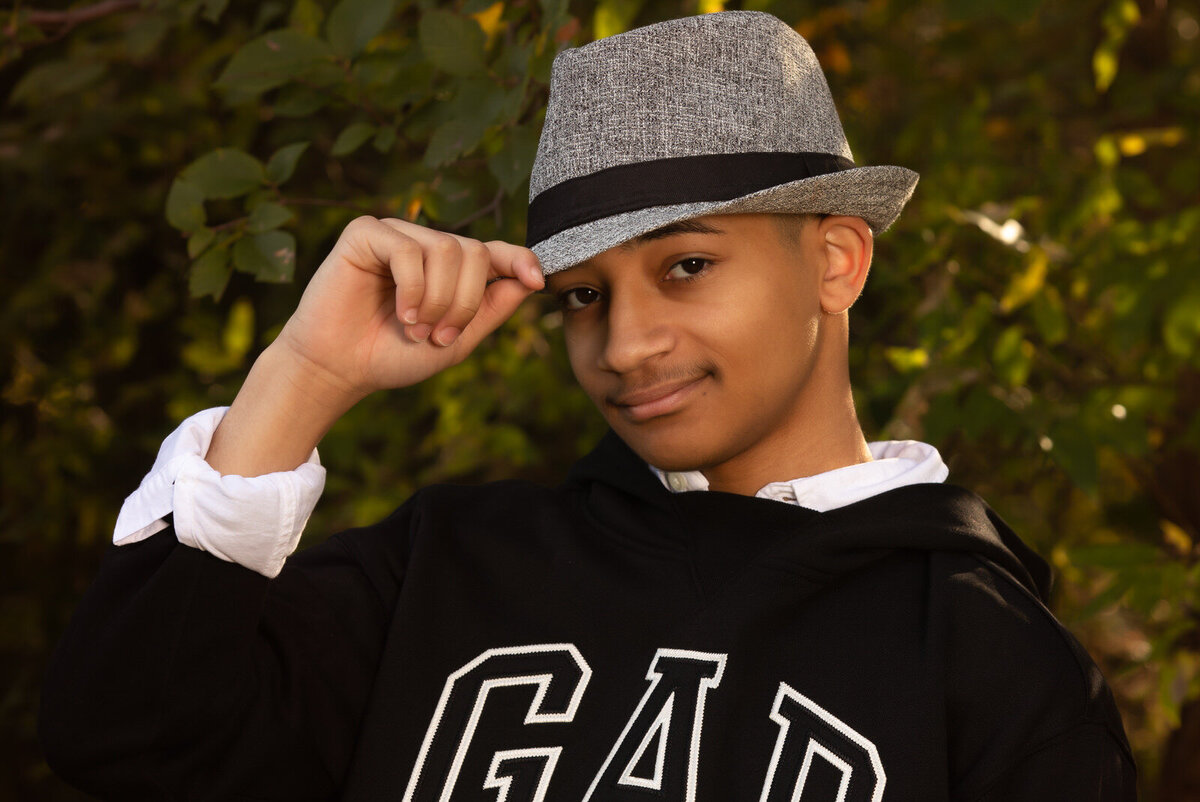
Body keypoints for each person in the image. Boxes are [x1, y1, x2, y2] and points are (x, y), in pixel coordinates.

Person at [41, 11, 1136, 801]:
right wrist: (305, 377)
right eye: (581, 295)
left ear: (838, 261)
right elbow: (126, 734)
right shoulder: (451, 566)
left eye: (688, 266)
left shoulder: (989, 657)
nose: (624, 345)